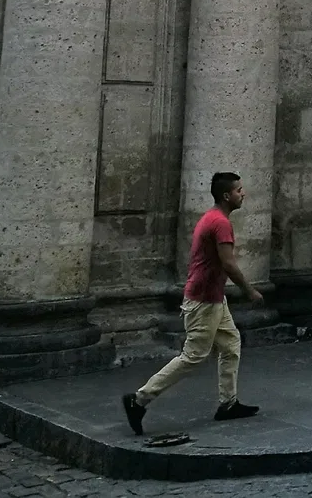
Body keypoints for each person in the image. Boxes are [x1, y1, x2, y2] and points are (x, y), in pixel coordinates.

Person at [122, 172, 263, 434]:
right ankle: (139, 399)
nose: (243, 194)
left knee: (230, 344)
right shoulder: (220, 223)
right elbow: (228, 263)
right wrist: (249, 291)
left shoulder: (212, 218)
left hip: (212, 297)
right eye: (239, 190)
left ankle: (228, 404)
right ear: (226, 196)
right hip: (204, 301)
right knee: (193, 356)